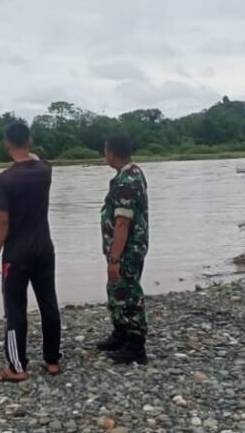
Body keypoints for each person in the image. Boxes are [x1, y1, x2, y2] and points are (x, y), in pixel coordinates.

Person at [0, 121, 62, 381]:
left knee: (15, 309)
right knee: (48, 304)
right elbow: (39, 159)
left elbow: (2, 221)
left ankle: (16, 367)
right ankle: (52, 360)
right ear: (29, 140)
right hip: (44, 248)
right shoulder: (45, 171)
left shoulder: (4, 179)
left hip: (17, 253)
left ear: (7, 143)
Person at [98, 134, 149, 364]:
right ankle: (120, 334)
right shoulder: (132, 173)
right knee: (116, 290)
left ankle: (136, 345)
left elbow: (122, 222)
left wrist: (115, 258)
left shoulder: (126, 181)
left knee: (128, 294)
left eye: (105, 150)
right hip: (126, 248)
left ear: (111, 152)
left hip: (127, 250)